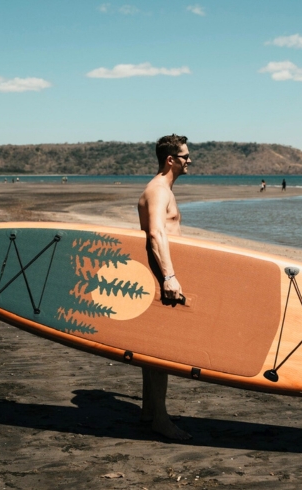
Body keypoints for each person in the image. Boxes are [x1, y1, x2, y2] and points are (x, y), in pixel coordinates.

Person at [137, 134, 192, 440]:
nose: (189, 161)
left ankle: (149, 412)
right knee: (162, 351)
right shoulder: (158, 190)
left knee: (154, 350)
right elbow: (156, 233)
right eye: (185, 156)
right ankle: (160, 418)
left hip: (161, 274)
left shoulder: (163, 189)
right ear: (170, 160)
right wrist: (169, 277)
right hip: (160, 276)